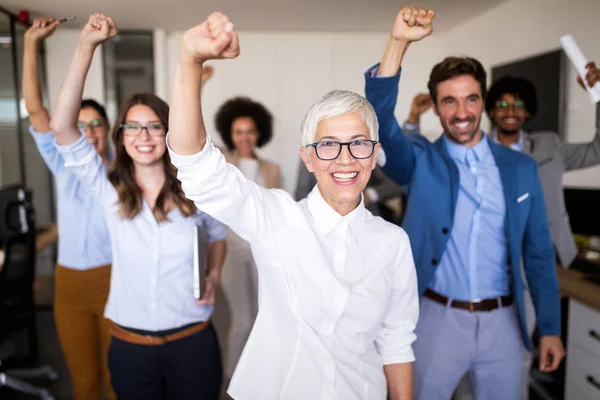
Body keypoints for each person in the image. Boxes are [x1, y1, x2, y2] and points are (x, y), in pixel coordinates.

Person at [167, 12, 419, 400]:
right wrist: (189, 60)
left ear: (374, 154)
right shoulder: (278, 218)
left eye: (359, 144)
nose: (345, 158)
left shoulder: (393, 242)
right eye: (329, 146)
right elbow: (197, 167)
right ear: (309, 158)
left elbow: (397, 340)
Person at [364, 5, 565, 400]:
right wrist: (397, 44)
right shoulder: (419, 159)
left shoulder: (521, 168)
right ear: (436, 107)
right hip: (435, 319)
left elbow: (539, 251)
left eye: (471, 99)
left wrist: (552, 328)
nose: (461, 113)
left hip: (504, 323)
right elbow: (380, 120)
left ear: (483, 102)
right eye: (450, 102)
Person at [49, 14, 227, 400]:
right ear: (121, 136)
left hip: (192, 343)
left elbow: (217, 235)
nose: (143, 136)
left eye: (154, 126)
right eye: (133, 127)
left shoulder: (196, 189)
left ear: (169, 131)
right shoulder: (107, 190)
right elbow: (62, 127)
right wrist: (86, 46)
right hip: (131, 348)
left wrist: (213, 272)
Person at [23, 17, 115, 400]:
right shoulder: (64, 163)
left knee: (117, 382)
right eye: (81, 125)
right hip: (70, 285)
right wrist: (30, 43)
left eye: (96, 124)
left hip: (116, 281)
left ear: (108, 129)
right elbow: (37, 110)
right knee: (85, 382)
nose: (90, 131)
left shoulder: (126, 170)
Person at [212, 95, 282, 385]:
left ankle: (260, 379)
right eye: (238, 131)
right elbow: (193, 136)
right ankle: (233, 383)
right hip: (230, 249)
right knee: (241, 320)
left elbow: (278, 211)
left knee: (265, 318)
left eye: (250, 131)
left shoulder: (272, 169)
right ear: (229, 133)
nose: (244, 137)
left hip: (263, 250)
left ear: (259, 133)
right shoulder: (222, 162)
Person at [294, 160, 406, 224]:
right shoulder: (312, 156)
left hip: (364, 222)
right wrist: (327, 201)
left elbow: (397, 184)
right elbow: (300, 193)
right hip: (323, 223)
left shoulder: (365, 153)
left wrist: (369, 195)